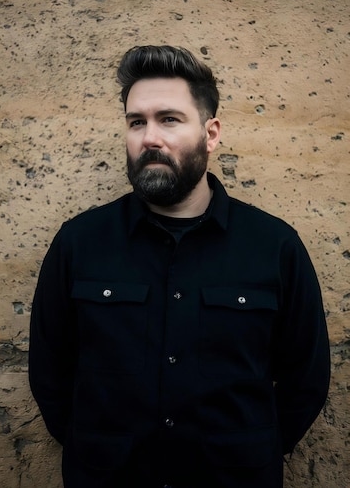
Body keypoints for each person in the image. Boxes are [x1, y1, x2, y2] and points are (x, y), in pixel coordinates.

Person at [29, 45, 330, 488]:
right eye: (137, 122)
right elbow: (50, 370)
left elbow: (306, 376)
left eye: (169, 119)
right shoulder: (79, 243)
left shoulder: (275, 246)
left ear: (210, 133)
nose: (150, 137)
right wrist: (93, 449)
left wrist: (252, 452)